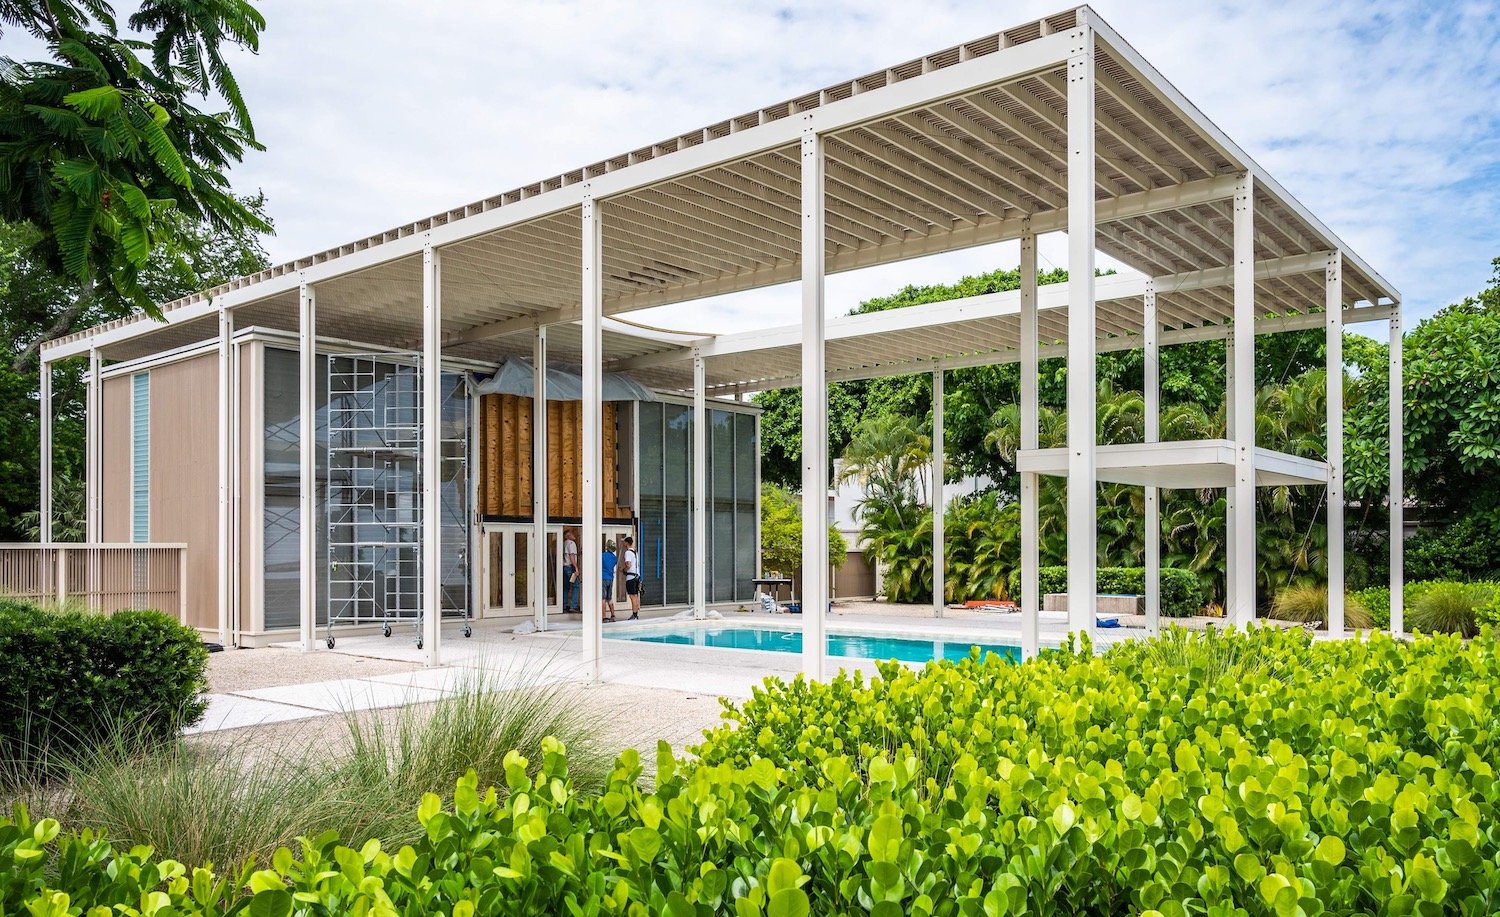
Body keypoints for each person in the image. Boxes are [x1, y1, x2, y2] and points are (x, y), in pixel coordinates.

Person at [622, 535, 641, 620]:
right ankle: (636, 614)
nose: (623, 543)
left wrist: (623, 570)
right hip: (637, 576)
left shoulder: (628, 552)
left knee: (632, 596)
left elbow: (628, 565)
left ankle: (634, 615)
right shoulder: (635, 553)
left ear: (626, 543)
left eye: (624, 542)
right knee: (635, 596)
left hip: (631, 577)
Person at [562, 528, 580, 613]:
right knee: (576, 585)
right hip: (570, 567)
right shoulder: (572, 543)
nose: (574, 535)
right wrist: (576, 568)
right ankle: (574, 605)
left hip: (565, 567)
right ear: (568, 536)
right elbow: (572, 556)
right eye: (572, 534)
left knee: (566, 587)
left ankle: (564, 604)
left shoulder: (564, 543)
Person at [601, 539, 618, 623]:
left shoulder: (602, 555)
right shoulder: (614, 558)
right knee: (609, 598)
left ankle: (604, 617)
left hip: (603, 578)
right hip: (610, 578)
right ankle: (613, 615)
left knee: (603, 598)